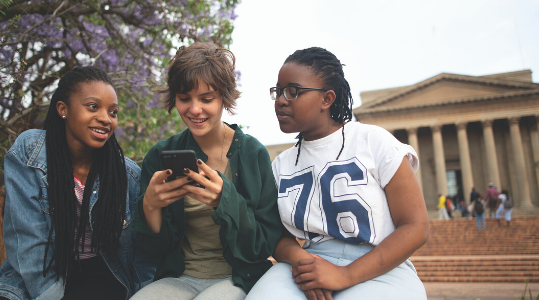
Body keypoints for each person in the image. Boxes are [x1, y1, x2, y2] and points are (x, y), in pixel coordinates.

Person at [247, 47, 428, 300]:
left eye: (293, 91)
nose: (280, 100)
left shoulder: (373, 141)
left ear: (327, 99)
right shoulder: (280, 165)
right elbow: (278, 236)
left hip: (382, 267)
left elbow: (416, 226)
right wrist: (304, 263)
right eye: (278, 91)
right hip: (309, 263)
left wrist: (344, 275)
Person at [0, 67, 155, 300]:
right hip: (40, 269)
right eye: (93, 106)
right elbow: (28, 240)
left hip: (104, 272)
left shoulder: (126, 174)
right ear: (63, 109)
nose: (106, 118)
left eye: (113, 111)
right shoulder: (30, 154)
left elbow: (141, 251)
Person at [130, 43, 282, 300]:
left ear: (224, 97)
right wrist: (151, 205)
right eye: (184, 98)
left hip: (237, 276)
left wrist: (225, 201)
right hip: (179, 277)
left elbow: (263, 244)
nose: (195, 109)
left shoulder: (252, 152)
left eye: (207, 99)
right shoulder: (160, 155)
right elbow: (153, 248)